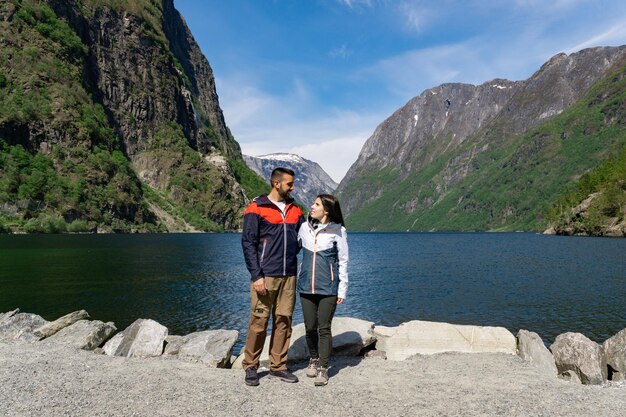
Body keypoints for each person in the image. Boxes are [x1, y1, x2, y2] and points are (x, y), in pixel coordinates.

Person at [241, 167, 305, 386]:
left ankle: (278, 366)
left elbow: (304, 236)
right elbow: (248, 243)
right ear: (276, 184)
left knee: (284, 321)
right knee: (259, 322)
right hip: (265, 275)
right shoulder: (256, 208)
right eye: (289, 183)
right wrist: (256, 275)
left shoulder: (295, 210)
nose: (292, 187)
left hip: (289, 274)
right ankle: (251, 366)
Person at [297, 194, 349, 386]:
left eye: (316, 204)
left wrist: (342, 289)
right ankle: (313, 358)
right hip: (305, 287)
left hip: (328, 288)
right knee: (310, 327)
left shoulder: (339, 231)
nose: (312, 206)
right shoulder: (304, 228)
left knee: (324, 328)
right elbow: (291, 246)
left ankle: (323, 367)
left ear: (326, 210)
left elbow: (343, 261)